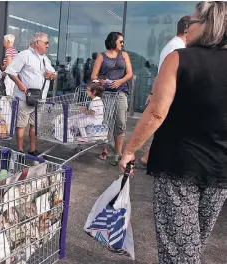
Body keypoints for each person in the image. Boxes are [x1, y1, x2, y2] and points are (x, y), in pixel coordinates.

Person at [120, 2, 227, 263]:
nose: (187, 27)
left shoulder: (179, 59)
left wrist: (130, 150)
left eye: (192, 21)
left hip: (179, 165)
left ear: (206, 25)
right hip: (220, 170)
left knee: (179, 251)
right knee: (194, 244)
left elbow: (156, 112)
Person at [138, 15, 191, 168]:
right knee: (163, 126)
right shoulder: (177, 48)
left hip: (167, 92)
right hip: (170, 93)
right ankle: (147, 159)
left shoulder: (174, 45)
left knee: (164, 127)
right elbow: (166, 74)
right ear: (187, 28)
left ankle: (148, 158)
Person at [5, 32, 57, 156]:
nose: (48, 46)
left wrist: (52, 75)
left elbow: (54, 73)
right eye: (46, 43)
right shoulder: (24, 55)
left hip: (40, 98)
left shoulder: (46, 59)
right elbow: (11, 71)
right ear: (37, 43)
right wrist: (19, 84)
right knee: (21, 125)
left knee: (35, 124)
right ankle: (20, 150)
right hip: (24, 97)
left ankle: (33, 149)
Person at [91, 31, 133, 162]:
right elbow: (93, 76)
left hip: (120, 92)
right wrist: (100, 81)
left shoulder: (124, 55)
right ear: (113, 41)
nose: (122, 43)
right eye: (120, 41)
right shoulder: (102, 56)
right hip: (106, 93)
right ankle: (105, 150)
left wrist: (120, 81)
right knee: (106, 121)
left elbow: (130, 73)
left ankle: (118, 152)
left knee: (120, 122)